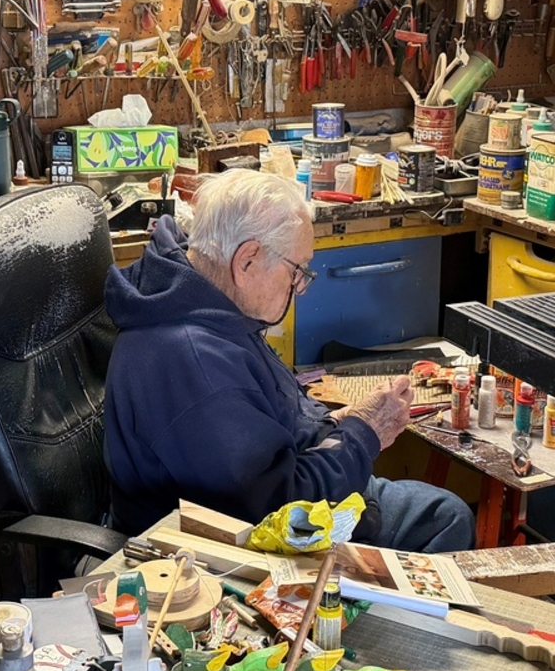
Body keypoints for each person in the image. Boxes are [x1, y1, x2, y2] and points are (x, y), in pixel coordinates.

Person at [101, 169, 474, 553]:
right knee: (446, 520)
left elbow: (269, 423)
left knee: (442, 512)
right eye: (297, 271)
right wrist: (364, 434)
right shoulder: (194, 362)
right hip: (235, 544)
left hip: (286, 481)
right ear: (247, 261)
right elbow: (279, 506)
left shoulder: (204, 300)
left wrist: (341, 423)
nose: (301, 288)